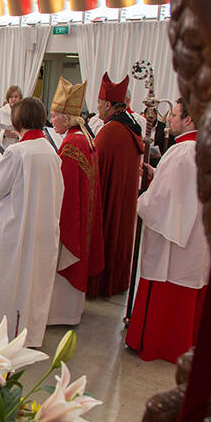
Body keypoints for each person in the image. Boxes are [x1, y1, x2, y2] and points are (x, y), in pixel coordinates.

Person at [125, 98, 209, 363]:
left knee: (168, 282)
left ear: (189, 120)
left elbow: (161, 200)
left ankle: (161, 344)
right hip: (198, 236)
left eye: (173, 114)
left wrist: (140, 202)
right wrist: (154, 174)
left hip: (175, 237)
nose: (168, 119)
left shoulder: (181, 151)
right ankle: (184, 343)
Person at [0, 97, 64, 347]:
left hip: (14, 228)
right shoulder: (51, 150)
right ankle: (29, 332)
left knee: (7, 278)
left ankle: (1, 330)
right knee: (32, 280)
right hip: (42, 227)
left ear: (18, 121)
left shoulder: (17, 151)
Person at [46, 77, 105, 325]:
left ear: (66, 117)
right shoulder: (84, 136)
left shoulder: (71, 144)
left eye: (54, 115)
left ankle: (61, 314)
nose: (51, 121)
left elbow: (64, 189)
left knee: (65, 260)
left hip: (72, 217)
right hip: (85, 215)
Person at [91, 72, 144, 298]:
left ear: (110, 105)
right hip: (123, 200)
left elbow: (94, 169)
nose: (98, 107)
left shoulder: (111, 132)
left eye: (100, 103)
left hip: (109, 200)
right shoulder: (128, 126)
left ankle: (102, 282)